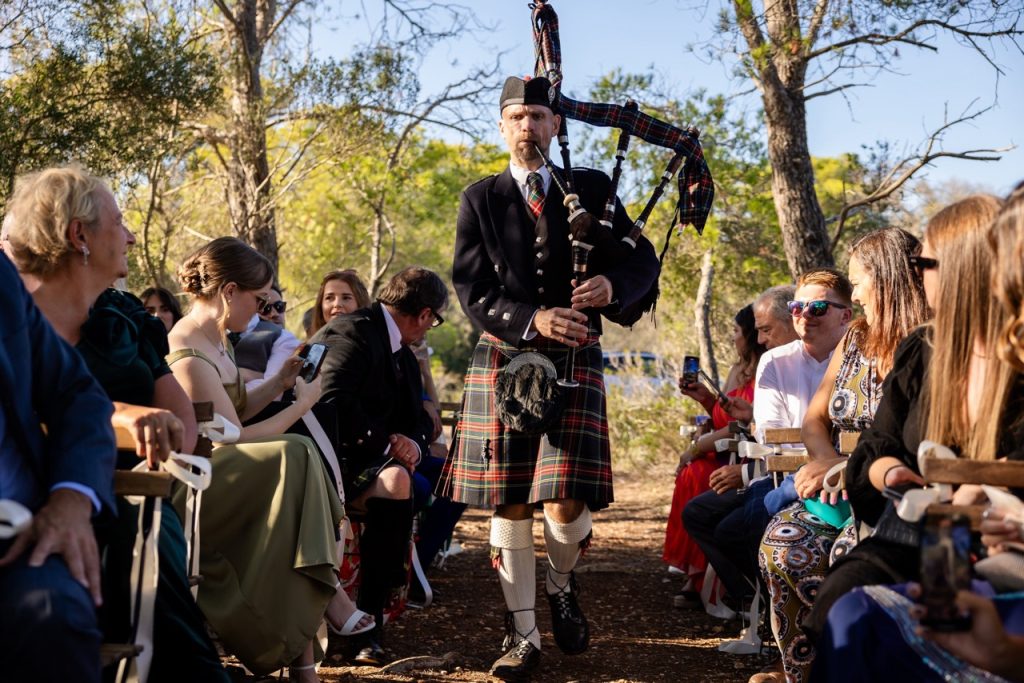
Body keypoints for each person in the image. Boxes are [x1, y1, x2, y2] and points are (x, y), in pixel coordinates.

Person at [439, 74, 660, 681]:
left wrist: (614, 285)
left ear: (555, 125)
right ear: (502, 125)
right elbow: (471, 288)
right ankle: (523, 633)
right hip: (507, 358)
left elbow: (641, 258)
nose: (527, 127)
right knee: (510, 501)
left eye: (538, 116)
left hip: (576, 357)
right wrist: (532, 319)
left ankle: (561, 583)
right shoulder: (479, 198)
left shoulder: (590, 188)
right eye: (517, 116)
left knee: (564, 500)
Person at [4, 165, 228, 681]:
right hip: (48, 485)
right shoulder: (15, 307)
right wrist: (121, 418)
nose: (129, 235)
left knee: (141, 525)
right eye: (119, 220)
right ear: (79, 235)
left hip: (127, 488)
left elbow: (169, 424)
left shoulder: (126, 320)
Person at [809, 191, 1023, 682]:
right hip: (914, 530)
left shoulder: (1017, 363)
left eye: (924, 261)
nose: (916, 273)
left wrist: (979, 494)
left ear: (968, 268)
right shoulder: (923, 351)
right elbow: (873, 450)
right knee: (842, 595)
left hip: (998, 544)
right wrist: (893, 474)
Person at [167, 237, 373, 682]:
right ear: (228, 292)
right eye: (258, 300)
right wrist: (300, 406)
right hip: (196, 483)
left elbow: (234, 409)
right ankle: (333, 595)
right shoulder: (187, 347)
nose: (263, 312)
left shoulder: (217, 337)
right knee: (296, 452)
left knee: (290, 518)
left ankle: (303, 664)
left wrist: (280, 383)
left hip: (225, 470)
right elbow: (233, 436)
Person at [755, 228, 929, 683]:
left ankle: (857, 666)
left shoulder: (927, 344)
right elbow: (815, 419)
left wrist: (847, 470)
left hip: (891, 495)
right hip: (840, 485)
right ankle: (800, 669)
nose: (853, 292)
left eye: (858, 280)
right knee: (783, 542)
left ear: (888, 279)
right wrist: (827, 460)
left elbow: (912, 444)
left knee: (846, 557)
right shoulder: (854, 338)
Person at [683, 269, 851, 617]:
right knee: (717, 519)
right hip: (791, 476)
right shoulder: (776, 362)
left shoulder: (861, 358)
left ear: (846, 315)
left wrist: (832, 461)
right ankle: (760, 604)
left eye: (816, 307)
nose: (804, 315)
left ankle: (774, 610)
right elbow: (771, 434)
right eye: (797, 307)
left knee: (739, 524)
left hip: (840, 477)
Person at [311, 265, 445, 664]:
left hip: (364, 463)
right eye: (433, 321)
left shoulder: (400, 352)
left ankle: (370, 622)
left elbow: (420, 418)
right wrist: (387, 443)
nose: (428, 328)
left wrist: (413, 446)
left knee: (398, 481)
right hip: (320, 461)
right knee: (397, 476)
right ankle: (353, 620)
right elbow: (330, 403)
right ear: (424, 314)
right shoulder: (351, 333)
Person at [0, 251, 116, 683]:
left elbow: (79, 395)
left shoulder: (1, 280)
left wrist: (72, 496)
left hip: (17, 537)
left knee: (53, 611)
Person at [665, 303, 768, 599]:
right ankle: (696, 574)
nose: (733, 337)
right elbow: (724, 415)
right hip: (726, 452)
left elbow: (741, 426)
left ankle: (707, 581)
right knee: (692, 472)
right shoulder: (738, 369)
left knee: (698, 473)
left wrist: (696, 447)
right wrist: (707, 400)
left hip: (745, 455)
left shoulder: (767, 369)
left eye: (736, 331)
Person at [233, 283, 303, 392]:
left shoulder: (285, 339)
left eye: (279, 306)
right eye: (266, 308)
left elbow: (272, 391)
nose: (274, 314)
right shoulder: (226, 333)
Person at [310, 269, 371, 336]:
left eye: (346, 298)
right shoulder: (311, 345)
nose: (337, 304)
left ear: (360, 303)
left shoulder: (375, 344)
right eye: (329, 298)